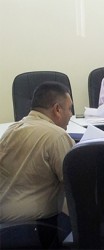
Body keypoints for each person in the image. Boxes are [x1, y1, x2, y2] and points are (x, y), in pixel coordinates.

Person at [0, 81, 75, 247]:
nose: (71, 115)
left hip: (4, 227)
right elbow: (75, 184)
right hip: (37, 228)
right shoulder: (57, 136)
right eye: (69, 109)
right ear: (57, 109)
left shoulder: (10, 131)